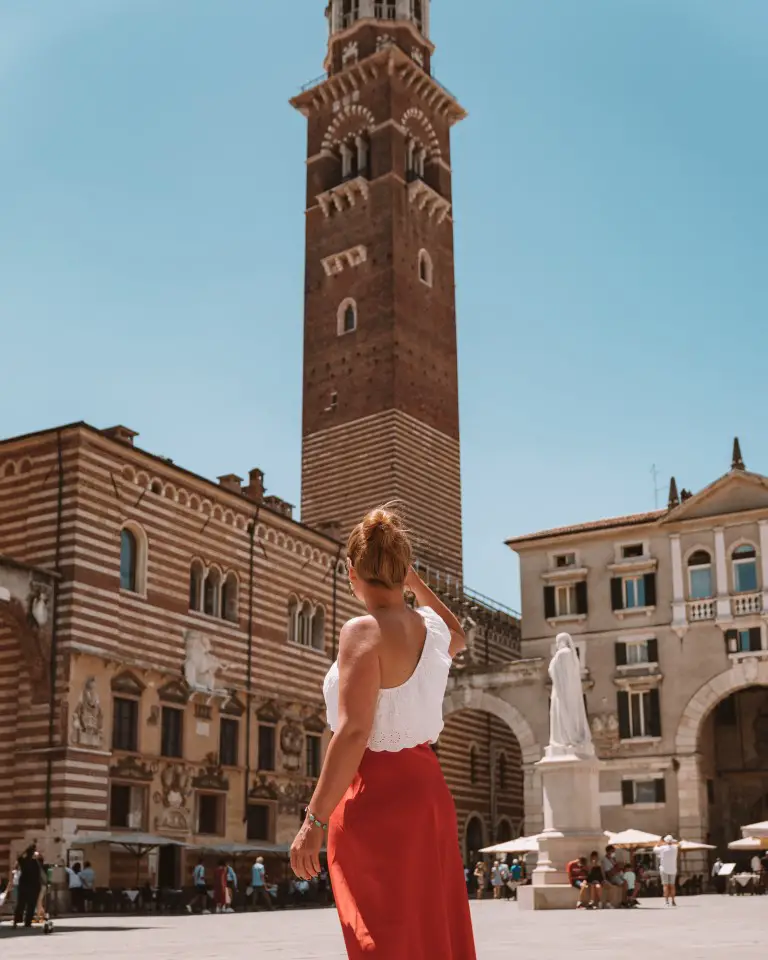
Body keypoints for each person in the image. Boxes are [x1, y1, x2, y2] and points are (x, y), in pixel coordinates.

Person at [290, 506, 476, 959]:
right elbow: (458, 634)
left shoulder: (361, 631)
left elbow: (353, 732)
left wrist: (313, 820)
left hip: (375, 795)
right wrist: (414, 583)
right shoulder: (428, 629)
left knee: (382, 935)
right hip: (428, 791)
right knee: (431, 928)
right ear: (401, 570)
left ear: (351, 572)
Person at [14, 846, 43, 928]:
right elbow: (39, 873)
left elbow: (19, 857)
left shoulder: (23, 861)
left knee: (21, 904)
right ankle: (27, 922)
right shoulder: (35, 862)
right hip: (33, 886)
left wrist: (25, 850)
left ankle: (16, 921)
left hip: (24, 886)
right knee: (31, 905)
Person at [655, 836, 680, 907]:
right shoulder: (675, 848)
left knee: (665, 885)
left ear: (665, 841)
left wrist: (659, 842)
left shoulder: (662, 848)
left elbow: (655, 849)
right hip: (673, 869)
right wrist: (673, 841)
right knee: (672, 886)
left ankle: (666, 902)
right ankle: (673, 901)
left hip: (664, 869)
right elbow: (678, 843)